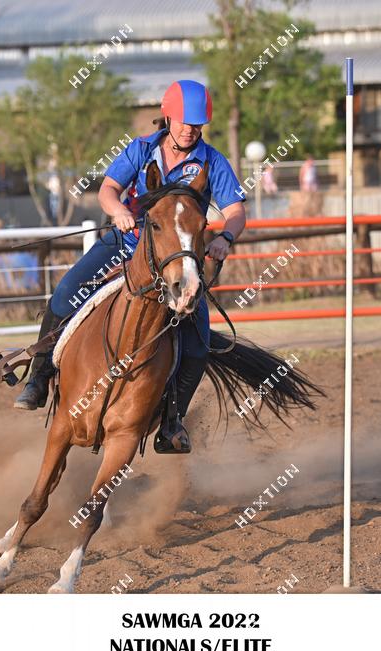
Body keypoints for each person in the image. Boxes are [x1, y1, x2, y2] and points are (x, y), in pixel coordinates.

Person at [14, 79, 248, 454]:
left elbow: (235, 211)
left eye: (197, 124)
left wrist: (226, 237)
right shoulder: (141, 149)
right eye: (184, 122)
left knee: (199, 343)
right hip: (125, 244)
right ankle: (39, 379)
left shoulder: (212, 161)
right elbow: (107, 190)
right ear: (168, 117)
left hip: (175, 261)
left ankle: (171, 422)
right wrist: (119, 210)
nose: (190, 130)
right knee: (67, 292)